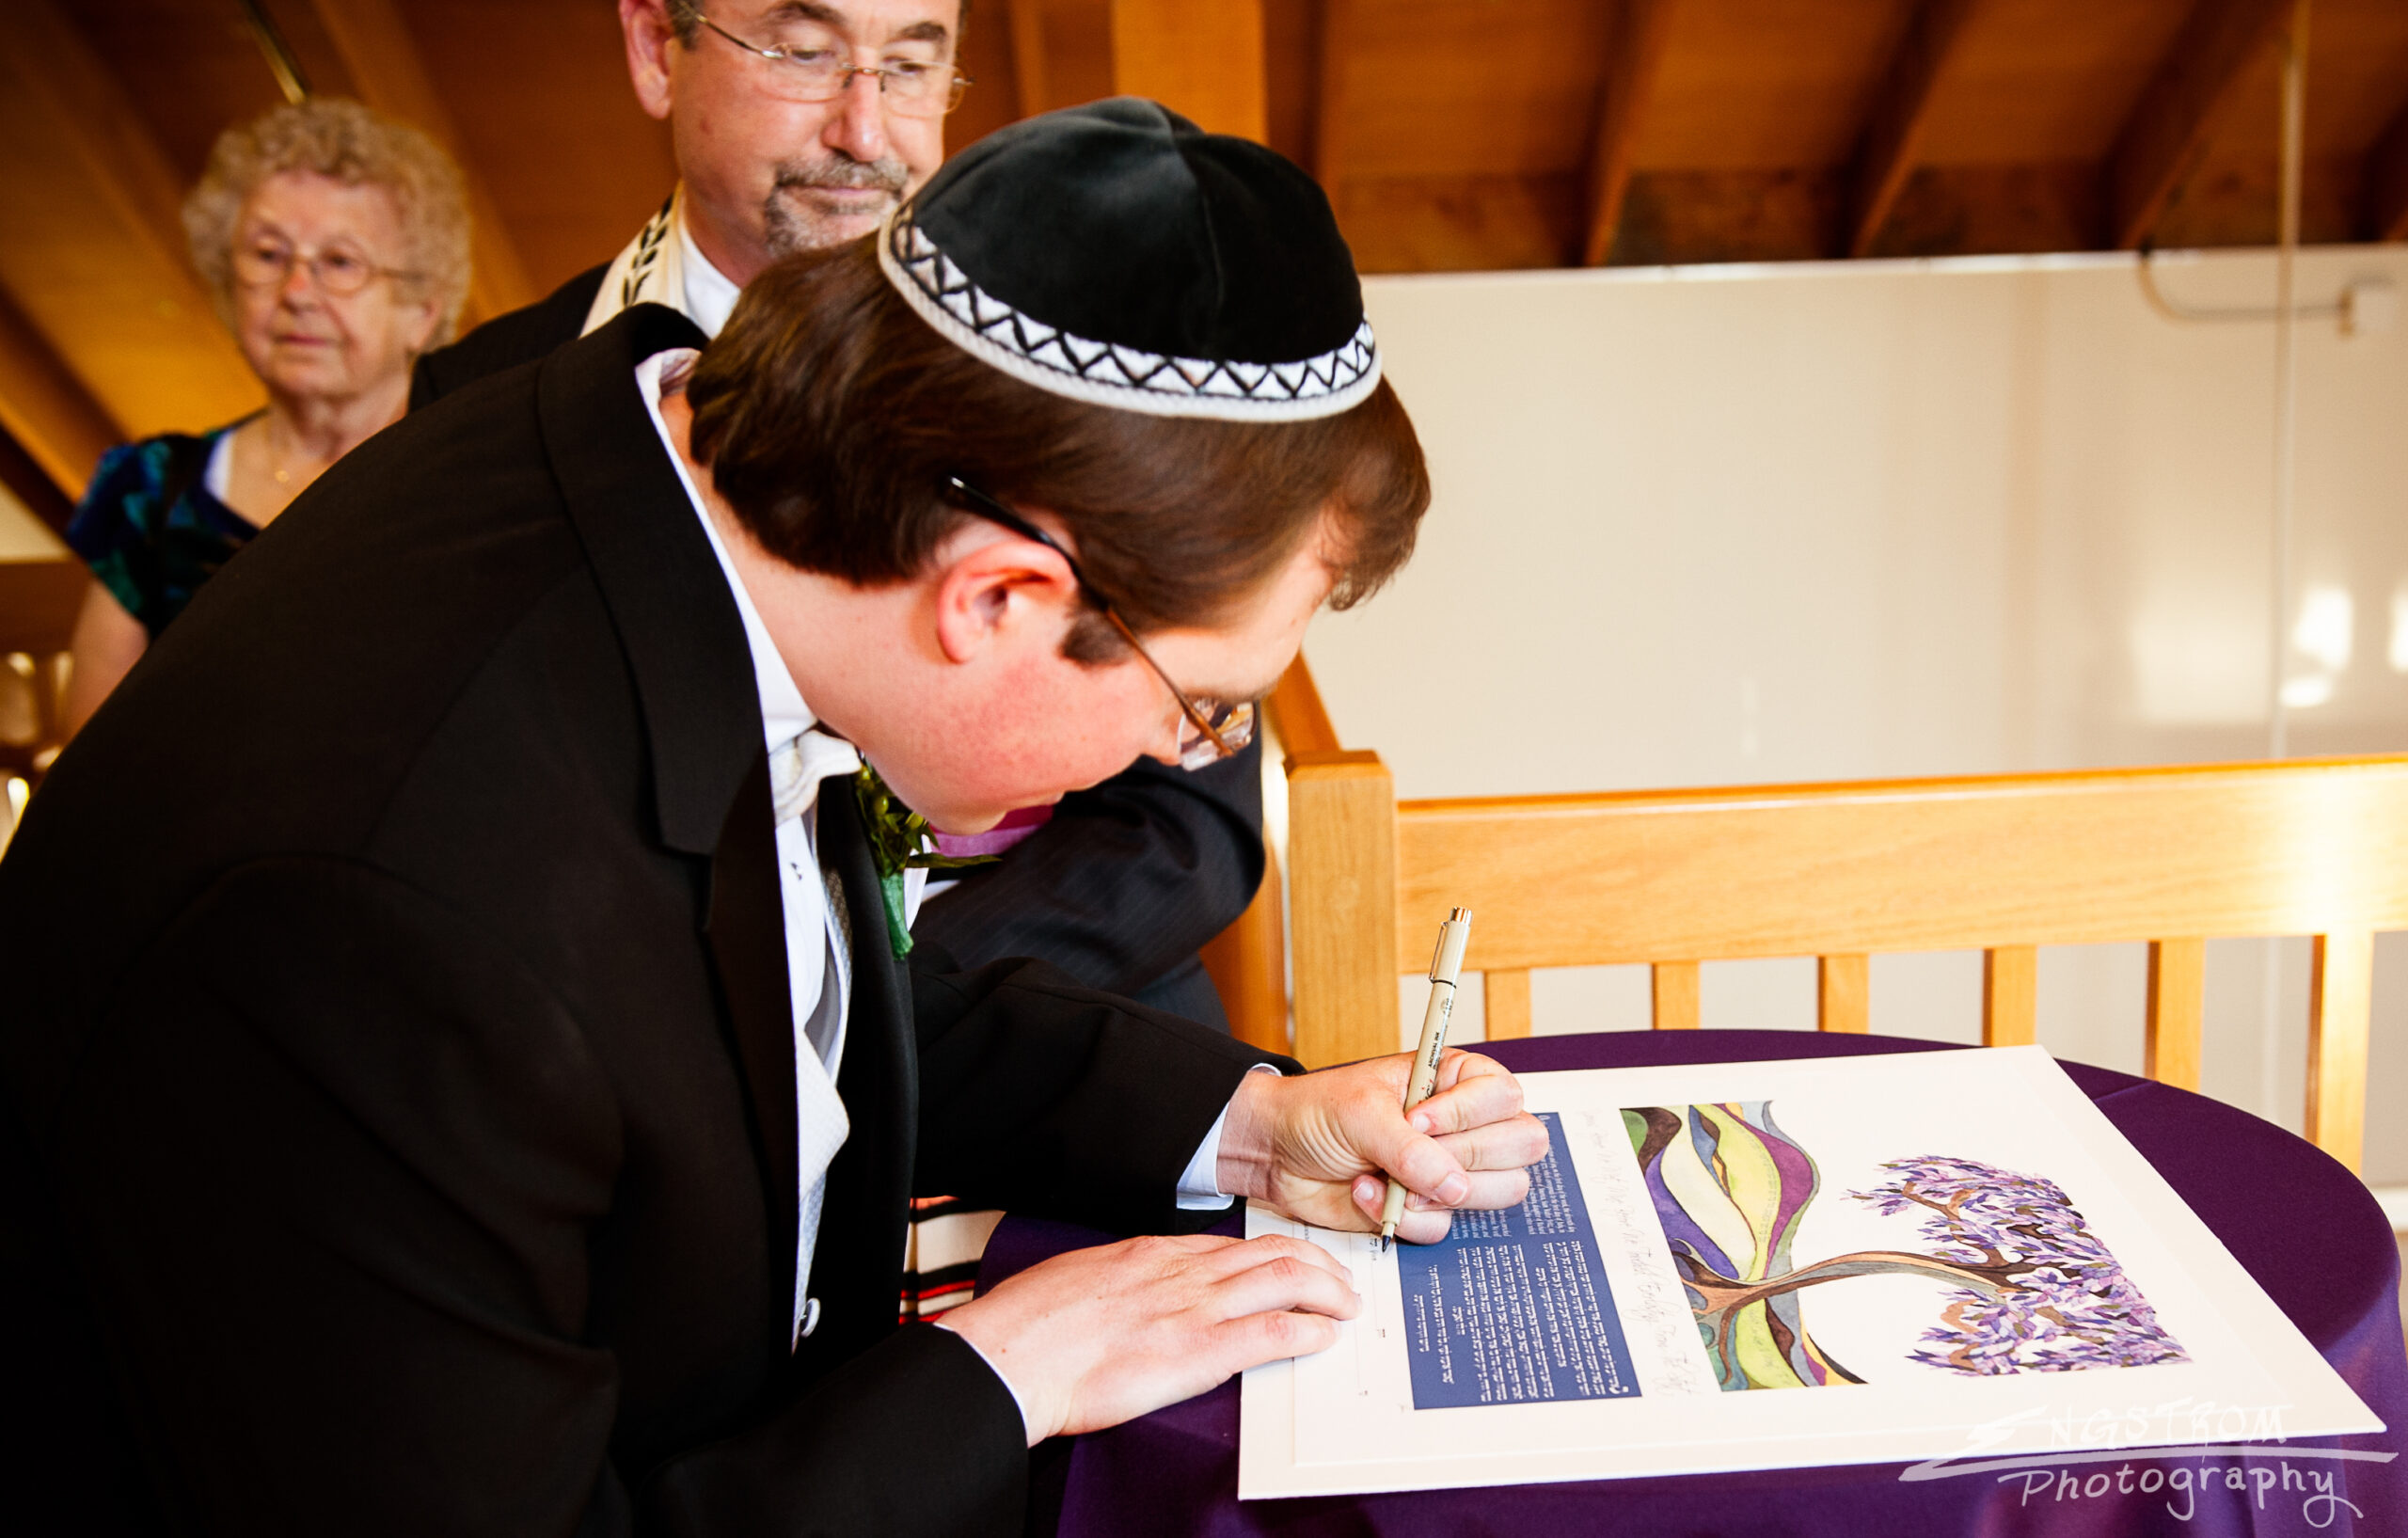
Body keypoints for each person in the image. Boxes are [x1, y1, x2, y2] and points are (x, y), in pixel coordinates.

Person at [0, 102, 1547, 1534]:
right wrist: (1008, 1371)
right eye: (1198, 705)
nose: (1182, 748)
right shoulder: (389, 925)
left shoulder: (680, 482)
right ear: (996, 599)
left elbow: (777, 998)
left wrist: (1247, 1124)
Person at [415, 0, 1270, 1320]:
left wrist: (894, 996)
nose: (867, 128)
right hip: (665, 1121)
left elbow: (1193, 820)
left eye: (914, 61)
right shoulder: (484, 401)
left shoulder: (1071, 349)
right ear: (654, 48)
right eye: (803, 48)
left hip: (1066, 1011)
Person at [60, 98, 470, 737]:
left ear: (421, 310)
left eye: (340, 262)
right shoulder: (150, 491)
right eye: (269, 255)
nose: (296, 293)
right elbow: (90, 754)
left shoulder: (470, 486)